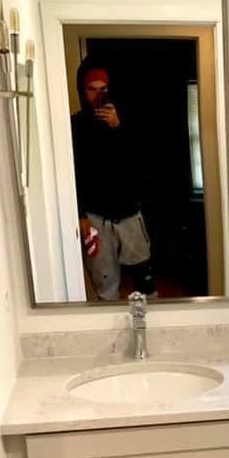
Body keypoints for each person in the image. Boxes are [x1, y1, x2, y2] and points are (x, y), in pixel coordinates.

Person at [71, 58, 156, 300]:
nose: (98, 95)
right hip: (95, 218)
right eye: (92, 89)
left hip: (130, 213)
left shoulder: (128, 121)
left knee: (145, 281)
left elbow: (141, 162)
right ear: (82, 91)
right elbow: (73, 172)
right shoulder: (74, 126)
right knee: (105, 284)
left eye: (104, 89)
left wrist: (119, 128)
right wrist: (80, 213)